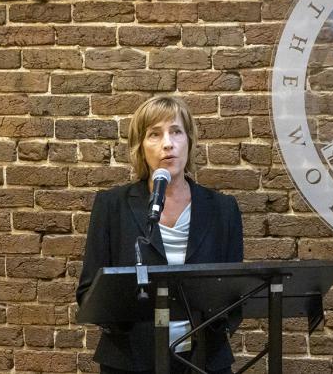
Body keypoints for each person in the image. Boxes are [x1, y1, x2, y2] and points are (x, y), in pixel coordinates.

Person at [76, 95, 244, 374]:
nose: (168, 143)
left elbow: (234, 293)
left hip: (204, 361)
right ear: (140, 148)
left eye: (176, 131)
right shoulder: (111, 206)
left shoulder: (223, 209)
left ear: (189, 141)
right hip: (130, 361)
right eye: (155, 134)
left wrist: (210, 326)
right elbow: (88, 291)